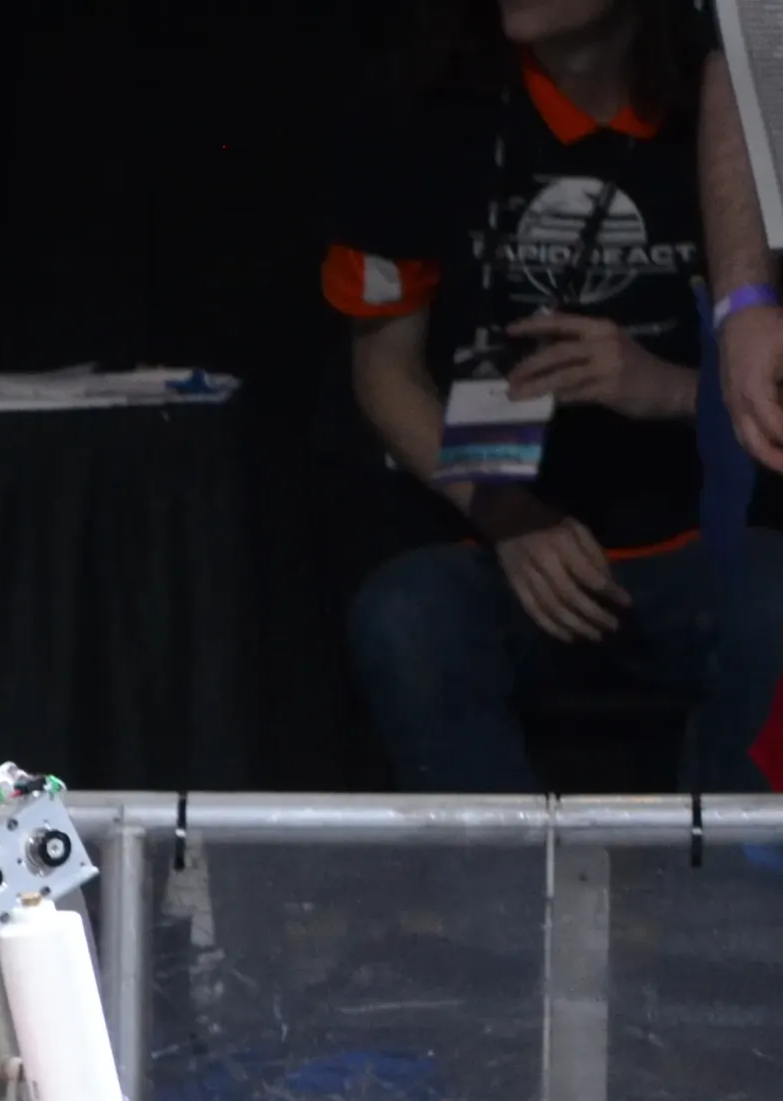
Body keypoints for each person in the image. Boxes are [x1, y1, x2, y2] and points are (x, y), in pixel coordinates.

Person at [331, 0, 783, 791]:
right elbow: (384, 373)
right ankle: (507, 907)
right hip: (503, 543)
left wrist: (667, 387)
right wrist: (501, 513)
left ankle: (715, 900)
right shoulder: (426, 112)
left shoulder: (728, 114)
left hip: (700, 546)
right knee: (405, 616)